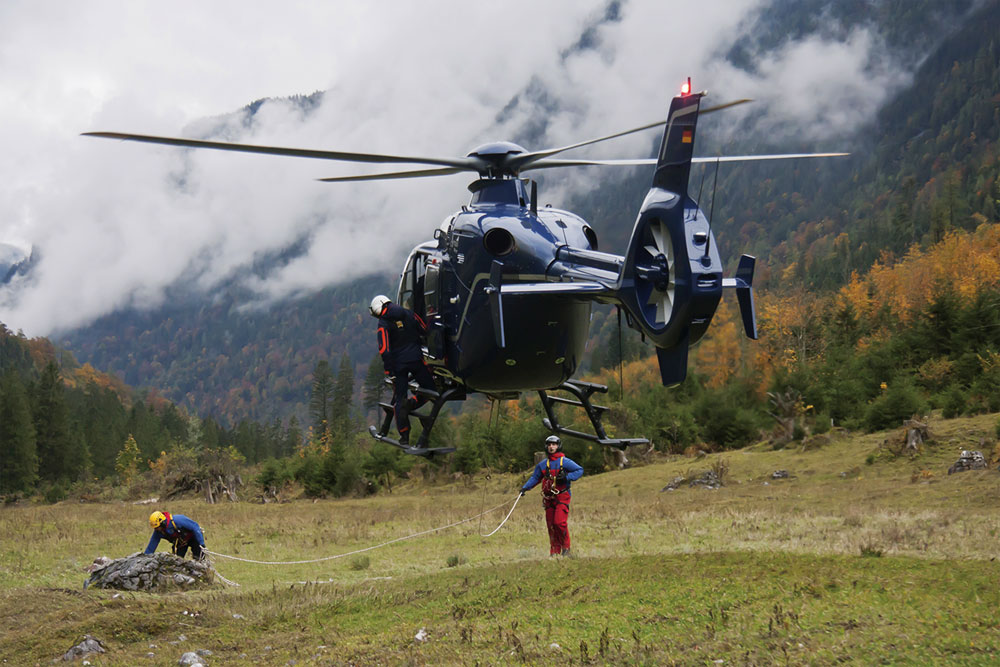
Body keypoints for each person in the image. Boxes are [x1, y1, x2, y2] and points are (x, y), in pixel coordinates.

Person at [370, 294, 437, 446]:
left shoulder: (383, 323)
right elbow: (424, 329)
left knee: (399, 399)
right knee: (431, 390)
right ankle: (412, 404)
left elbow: (385, 349)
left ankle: (405, 436)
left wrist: (389, 371)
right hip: (416, 360)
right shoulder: (408, 313)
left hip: (399, 366)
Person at [519, 435, 584, 556]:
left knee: (559, 522)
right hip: (548, 499)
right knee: (551, 525)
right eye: (549, 444)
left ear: (558, 446)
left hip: (562, 496)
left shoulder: (565, 462)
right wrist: (525, 488)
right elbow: (535, 477)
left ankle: (566, 548)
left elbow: (579, 470)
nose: (551, 447)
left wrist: (567, 477)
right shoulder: (543, 464)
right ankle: (554, 551)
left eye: (554, 444)